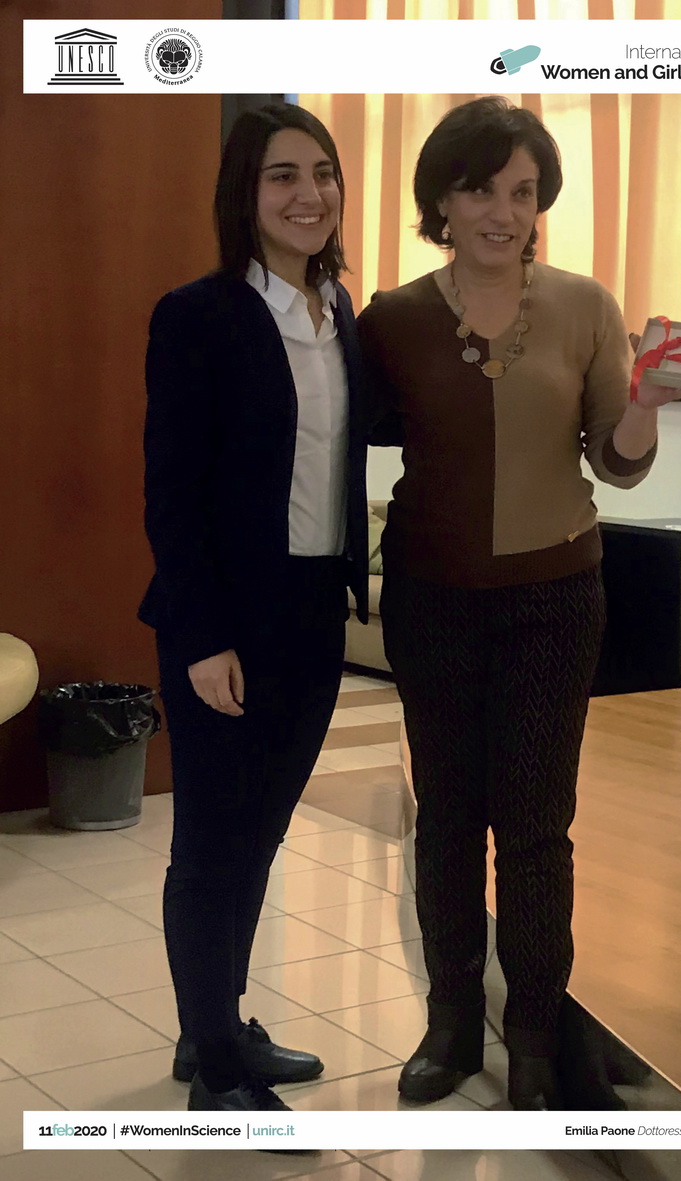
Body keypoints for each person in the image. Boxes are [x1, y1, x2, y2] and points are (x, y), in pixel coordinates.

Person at [357, 96, 681, 1111]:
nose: (503, 212)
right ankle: (448, 1021)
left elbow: (616, 460)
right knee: (444, 818)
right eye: (480, 189)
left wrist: (646, 403)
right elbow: (343, 432)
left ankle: (533, 1037)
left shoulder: (583, 305)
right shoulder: (391, 319)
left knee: (534, 825)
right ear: (440, 199)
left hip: (554, 598)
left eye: (522, 192)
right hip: (430, 597)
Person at [139, 102, 368, 1113]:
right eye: (283, 175)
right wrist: (200, 636)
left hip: (314, 608)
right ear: (244, 191)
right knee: (210, 844)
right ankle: (218, 1072)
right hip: (226, 620)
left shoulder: (338, 311)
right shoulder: (199, 313)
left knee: (261, 832)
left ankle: (215, 1025)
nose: (308, 194)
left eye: (321, 172)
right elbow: (171, 490)